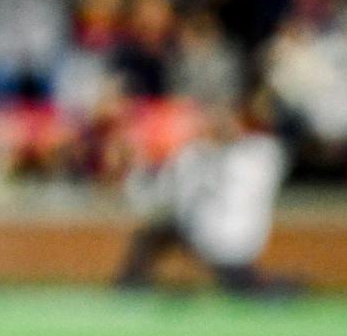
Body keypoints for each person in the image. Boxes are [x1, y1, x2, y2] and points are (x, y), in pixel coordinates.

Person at [115, 97, 297, 297]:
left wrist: (139, 169)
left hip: (227, 240)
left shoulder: (253, 154)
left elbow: (164, 197)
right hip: (215, 237)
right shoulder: (259, 152)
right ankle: (135, 283)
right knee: (157, 232)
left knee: (240, 284)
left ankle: (132, 285)